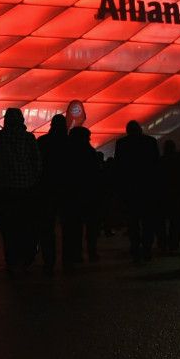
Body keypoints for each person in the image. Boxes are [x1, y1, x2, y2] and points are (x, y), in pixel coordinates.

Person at [0, 108, 41, 274]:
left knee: (8, 229)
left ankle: (11, 260)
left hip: (4, 191)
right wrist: (32, 180)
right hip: (25, 190)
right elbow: (37, 163)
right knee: (24, 225)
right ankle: (25, 257)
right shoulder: (28, 138)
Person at [114, 120, 162, 263]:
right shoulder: (150, 142)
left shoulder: (122, 144)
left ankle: (135, 247)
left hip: (130, 189)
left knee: (133, 221)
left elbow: (119, 167)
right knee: (148, 221)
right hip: (147, 188)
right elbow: (156, 166)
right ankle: (147, 248)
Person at [35, 114, 69, 270]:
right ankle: (68, 260)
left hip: (46, 189)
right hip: (66, 189)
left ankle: (49, 260)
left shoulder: (42, 142)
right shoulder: (70, 143)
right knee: (68, 226)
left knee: (47, 227)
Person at [65, 126, 103, 264]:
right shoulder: (90, 153)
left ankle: (76, 253)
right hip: (89, 195)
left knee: (75, 227)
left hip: (73, 195)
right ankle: (91, 251)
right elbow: (97, 175)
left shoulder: (68, 154)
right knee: (91, 226)